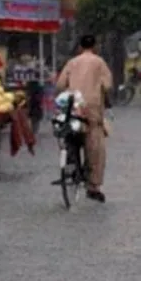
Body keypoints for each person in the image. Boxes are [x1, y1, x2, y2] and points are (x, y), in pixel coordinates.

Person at [56, 34, 113, 202]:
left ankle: (71, 166)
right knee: (95, 150)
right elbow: (107, 86)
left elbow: (60, 85)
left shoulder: (72, 63)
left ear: (80, 47)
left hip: (73, 110)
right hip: (92, 112)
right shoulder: (99, 62)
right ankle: (93, 186)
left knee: (69, 137)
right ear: (95, 46)